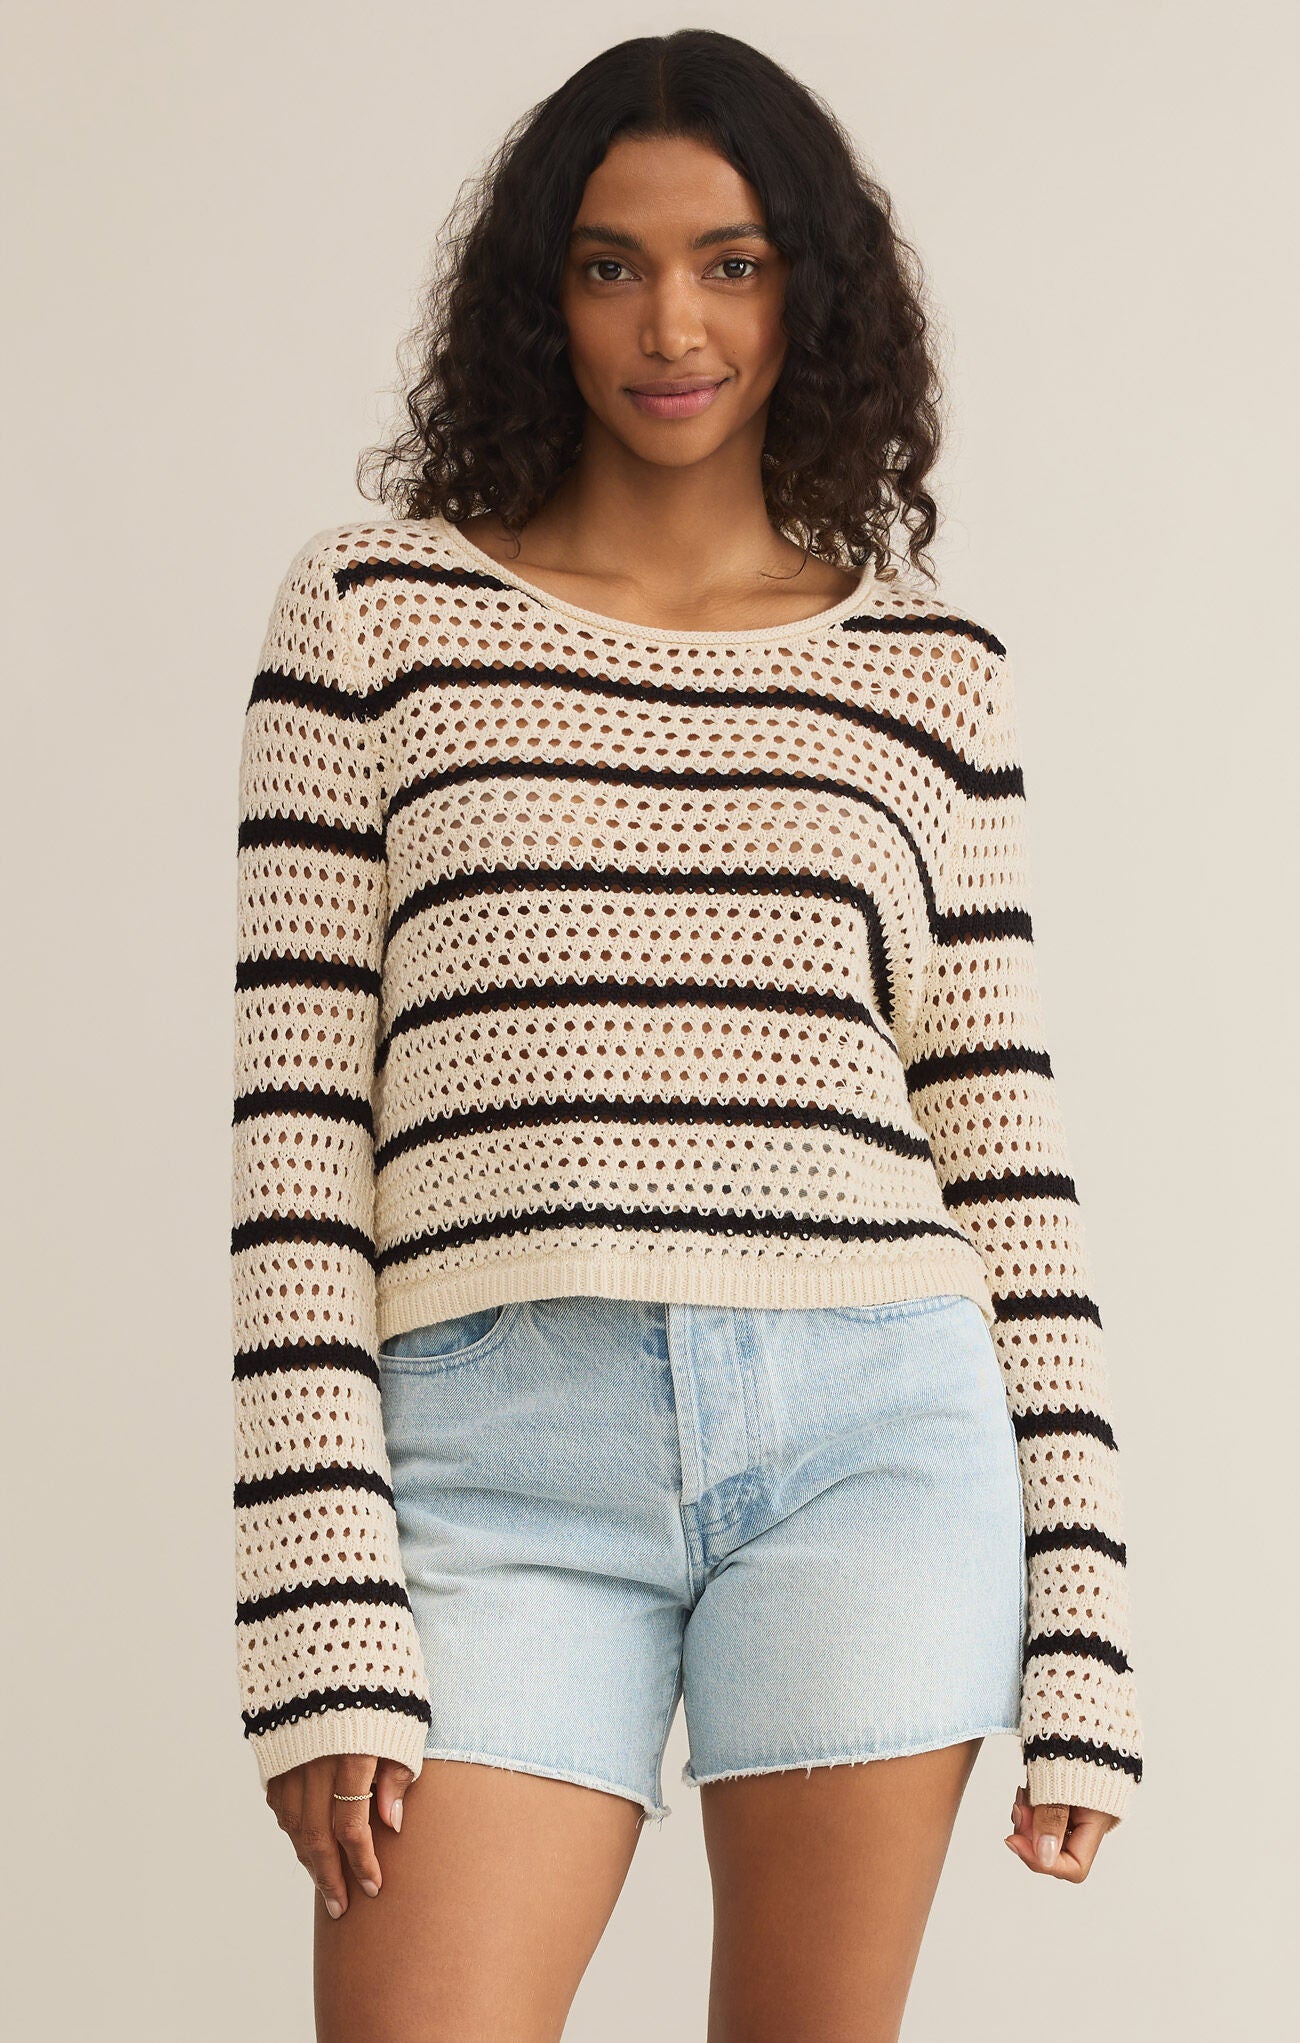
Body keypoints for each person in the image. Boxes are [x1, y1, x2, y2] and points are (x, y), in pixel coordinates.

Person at [230, 28, 1142, 2042]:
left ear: (808, 293)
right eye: (609, 265)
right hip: (490, 1456)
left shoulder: (927, 669)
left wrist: (1080, 1604)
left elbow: (998, 1147)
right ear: (535, 297)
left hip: (869, 1439)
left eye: (732, 263)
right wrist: (316, 1594)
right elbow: (294, 1132)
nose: (671, 325)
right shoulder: (373, 617)